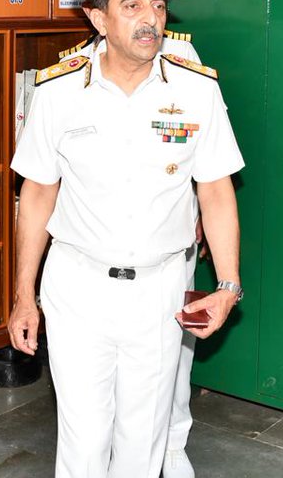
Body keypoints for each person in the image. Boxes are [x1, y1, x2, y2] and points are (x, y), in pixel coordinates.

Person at [8, 0, 244, 477]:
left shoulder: (195, 89)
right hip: (77, 286)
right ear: (97, 18)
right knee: (84, 440)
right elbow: (37, 193)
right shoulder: (58, 91)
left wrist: (228, 285)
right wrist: (24, 295)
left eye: (158, 4)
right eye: (132, 4)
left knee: (144, 443)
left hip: (159, 290)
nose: (151, 19)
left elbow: (215, 189)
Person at [59, 29, 203, 478]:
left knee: (175, 355)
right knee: (89, 413)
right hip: (93, 256)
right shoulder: (70, 70)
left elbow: (196, 153)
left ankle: (173, 441)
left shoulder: (181, 56)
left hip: (168, 244)